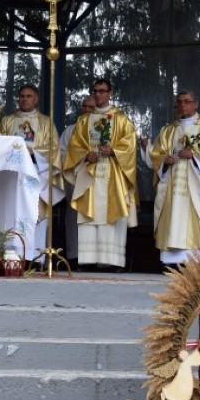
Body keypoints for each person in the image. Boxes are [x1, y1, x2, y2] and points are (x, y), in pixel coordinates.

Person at [63, 79, 138, 271]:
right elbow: (74, 147)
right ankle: (88, 260)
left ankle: (110, 262)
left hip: (113, 174)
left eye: (102, 91)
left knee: (110, 214)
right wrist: (85, 155)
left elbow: (130, 146)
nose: (98, 94)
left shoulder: (121, 119)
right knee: (90, 215)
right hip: (90, 174)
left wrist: (114, 150)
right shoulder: (84, 120)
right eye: (95, 91)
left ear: (110, 93)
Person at [150, 90, 200, 266]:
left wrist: (194, 155)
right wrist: (164, 159)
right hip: (174, 185)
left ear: (196, 104)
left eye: (187, 101)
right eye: (179, 102)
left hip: (198, 185)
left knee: (197, 217)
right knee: (174, 216)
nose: (183, 105)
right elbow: (156, 154)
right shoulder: (168, 130)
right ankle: (173, 260)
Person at [2, 84, 64, 261]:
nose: (24, 99)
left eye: (29, 96)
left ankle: (35, 257)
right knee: (12, 211)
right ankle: (10, 255)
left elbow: (54, 148)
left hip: (36, 173)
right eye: (21, 96)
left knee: (35, 212)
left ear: (36, 99)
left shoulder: (45, 122)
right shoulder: (7, 120)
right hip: (13, 174)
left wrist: (32, 152)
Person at [59, 95, 96, 263]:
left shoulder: (104, 129)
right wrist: (82, 157)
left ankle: (95, 259)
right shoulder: (70, 130)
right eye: (85, 107)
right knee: (75, 218)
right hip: (76, 180)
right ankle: (74, 256)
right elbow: (60, 154)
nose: (87, 110)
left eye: (91, 108)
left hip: (99, 181)